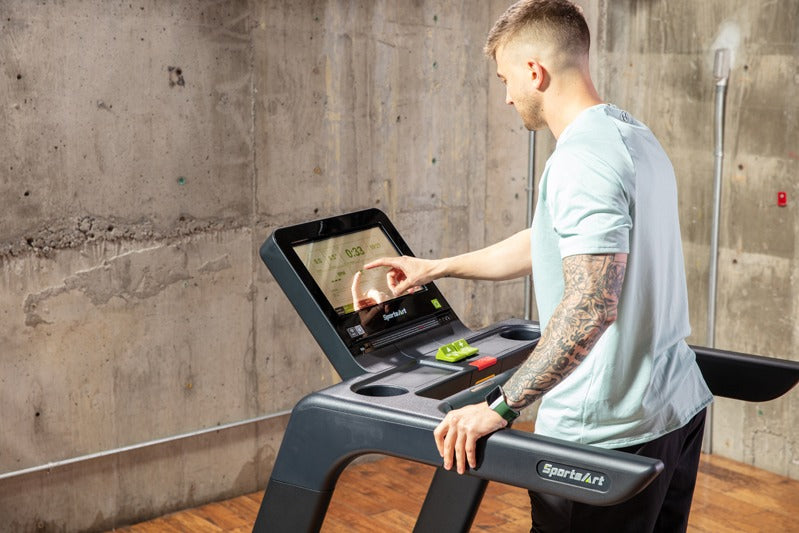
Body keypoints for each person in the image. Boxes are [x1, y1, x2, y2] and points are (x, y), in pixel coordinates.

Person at [363, 1, 713, 531]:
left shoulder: (579, 160)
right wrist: (436, 268)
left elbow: (591, 305)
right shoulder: (631, 135)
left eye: (506, 78)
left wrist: (500, 407)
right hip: (672, 409)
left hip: (603, 431)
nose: (506, 95)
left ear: (535, 72)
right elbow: (555, 242)